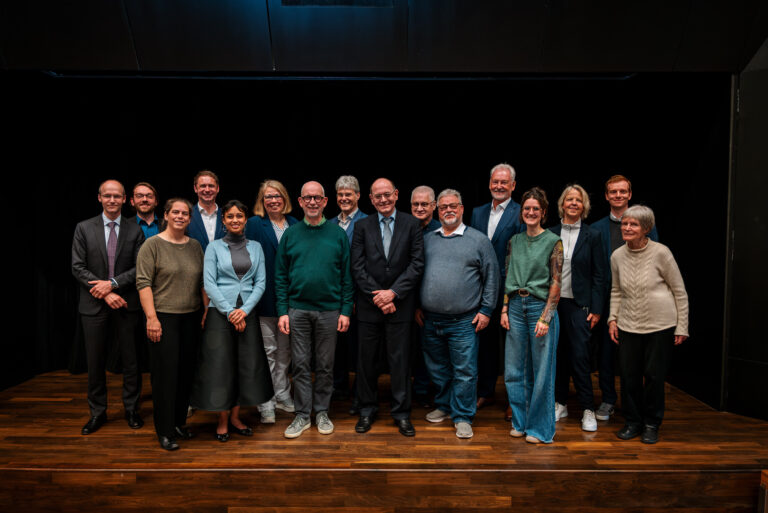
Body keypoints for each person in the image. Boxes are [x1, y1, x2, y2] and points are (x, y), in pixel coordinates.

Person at [275, 181, 354, 439]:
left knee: (325, 365)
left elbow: (346, 276)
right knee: (299, 364)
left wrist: (345, 310)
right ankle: (301, 415)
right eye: (307, 198)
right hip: (297, 310)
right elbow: (280, 276)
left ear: (324, 201)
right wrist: (283, 311)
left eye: (317, 198)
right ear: (299, 202)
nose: (312, 202)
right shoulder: (291, 234)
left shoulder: (337, 234)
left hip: (330, 311)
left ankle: (321, 411)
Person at [192, 200, 274, 442]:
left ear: (245, 220)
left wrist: (244, 310)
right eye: (230, 216)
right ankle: (223, 420)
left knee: (244, 367)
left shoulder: (256, 247)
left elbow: (260, 282)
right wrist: (230, 311)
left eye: (239, 215)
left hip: (247, 312)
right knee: (221, 368)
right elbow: (209, 283)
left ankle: (237, 417)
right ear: (224, 221)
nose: (235, 220)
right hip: (220, 313)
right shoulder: (214, 247)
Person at [420, 189, 499, 439]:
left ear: (462, 209)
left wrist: (486, 310)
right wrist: (416, 307)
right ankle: (444, 405)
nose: (448, 210)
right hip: (431, 320)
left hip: (464, 320)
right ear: (437, 210)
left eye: (453, 206)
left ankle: (463, 416)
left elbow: (492, 278)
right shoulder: (428, 239)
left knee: (465, 370)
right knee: (438, 368)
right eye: (443, 207)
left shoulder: (478, 240)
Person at [608, 205, 688, 444]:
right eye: (625, 223)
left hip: (660, 325)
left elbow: (679, 291)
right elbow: (616, 290)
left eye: (633, 224)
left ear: (646, 229)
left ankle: (652, 423)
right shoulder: (617, 256)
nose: (627, 228)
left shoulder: (661, 252)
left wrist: (682, 325)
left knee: (654, 376)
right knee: (629, 376)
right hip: (628, 324)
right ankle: (633, 422)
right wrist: (613, 318)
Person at [350, 178, 424, 437]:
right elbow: (357, 267)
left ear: (396, 194)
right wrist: (379, 298)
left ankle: (402, 413)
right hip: (370, 308)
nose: (383, 200)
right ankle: (367, 410)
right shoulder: (361, 226)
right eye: (377, 196)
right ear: (370, 199)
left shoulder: (412, 224)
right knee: (366, 362)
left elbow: (417, 264)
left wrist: (393, 294)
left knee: (400, 362)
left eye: (387, 195)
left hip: (401, 306)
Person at [72, 180, 145, 435]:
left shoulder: (135, 229)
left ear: (125, 199)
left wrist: (113, 285)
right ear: (99, 198)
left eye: (117, 196)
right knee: (95, 362)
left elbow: (139, 268)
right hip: (94, 304)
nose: (112, 200)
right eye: (107, 196)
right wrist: (105, 293)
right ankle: (97, 412)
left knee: (131, 360)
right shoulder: (84, 228)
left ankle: (132, 409)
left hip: (126, 302)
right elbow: (77, 267)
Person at [136, 198, 205, 451]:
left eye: (185, 213)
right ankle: (164, 431)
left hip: (191, 317)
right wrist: (151, 318)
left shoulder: (195, 246)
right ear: (165, 215)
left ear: (189, 218)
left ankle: (178, 424)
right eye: (175, 212)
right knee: (166, 377)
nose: (180, 216)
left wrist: (206, 310)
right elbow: (143, 283)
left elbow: (201, 283)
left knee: (185, 374)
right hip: (163, 318)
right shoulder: (151, 245)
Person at [592, 175, 659, 421]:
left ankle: (636, 406)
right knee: (607, 356)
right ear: (607, 196)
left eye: (622, 192)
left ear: (630, 194)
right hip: (610, 300)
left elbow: (655, 260)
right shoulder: (597, 228)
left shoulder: (645, 224)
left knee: (637, 358)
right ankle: (608, 400)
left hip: (640, 301)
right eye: (613, 192)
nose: (618, 196)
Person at [502, 187, 563, 444]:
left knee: (542, 372)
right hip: (515, 306)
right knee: (515, 370)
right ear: (521, 212)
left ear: (543, 213)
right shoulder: (514, 241)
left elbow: (557, 282)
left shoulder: (553, 241)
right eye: (526, 208)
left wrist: (546, 318)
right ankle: (520, 421)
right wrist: (504, 309)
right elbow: (508, 276)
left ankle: (539, 429)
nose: (530, 212)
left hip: (540, 307)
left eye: (535, 209)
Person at [549, 185, 606, 432]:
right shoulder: (549, 233)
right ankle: (560, 403)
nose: (573, 203)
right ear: (562, 204)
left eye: (578, 200)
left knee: (580, 357)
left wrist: (596, 308)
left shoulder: (593, 236)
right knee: (557, 356)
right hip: (554, 304)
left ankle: (587, 409)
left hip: (579, 305)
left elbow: (599, 276)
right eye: (569, 199)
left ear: (584, 206)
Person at [470, 163, 524, 417]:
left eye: (504, 182)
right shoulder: (477, 212)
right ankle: (486, 392)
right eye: (495, 182)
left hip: (509, 290)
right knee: (486, 345)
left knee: (514, 347)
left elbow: (523, 253)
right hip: (480, 291)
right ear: (489, 183)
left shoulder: (521, 213)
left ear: (513, 185)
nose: (499, 186)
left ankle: (515, 399)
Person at [245, 180, 299, 423]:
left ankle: (283, 394)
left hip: (291, 298)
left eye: (277, 196)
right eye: (268, 197)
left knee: (286, 352)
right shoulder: (255, 224)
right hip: (265, 298)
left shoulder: (295, 224)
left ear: (285, 198)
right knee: (268, 352)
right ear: (262, 201)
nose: (273, 200)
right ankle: (265, 400)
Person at [329, 175, 367, 407]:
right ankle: (339, 387)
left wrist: (352, 297)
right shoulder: (329, 223)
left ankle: (360, 394)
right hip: (333, 296)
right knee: (336, 346)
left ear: (358, 196)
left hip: (360, 297)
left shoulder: (367, 222)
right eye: (341, 194)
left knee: (360, 348)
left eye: (348, 194)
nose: (344, 198)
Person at [410, 185, 440, 407]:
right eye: (415, 204)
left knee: (435, 351)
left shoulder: (441, 230)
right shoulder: (405, 228)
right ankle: (419, 390)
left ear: (434, 206)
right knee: (415, 350)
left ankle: (439, 392)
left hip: (435, 301)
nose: (419, 208)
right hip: (408, 301)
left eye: (424, 204)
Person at [188, 169, 226, 253]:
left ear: (217, 188)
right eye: (203, 186)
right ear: (195, 188)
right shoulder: (187, 215)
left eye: (211, 186)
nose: (207, 190)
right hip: (195, 265)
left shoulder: (228, 215)